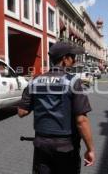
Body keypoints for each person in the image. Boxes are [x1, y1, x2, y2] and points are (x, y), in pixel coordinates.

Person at [18, 42, 95, 174]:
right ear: (64, 59)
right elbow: (81, 121)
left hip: (41, 145)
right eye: (72, 57)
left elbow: (21, 112)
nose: (75, 60)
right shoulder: (72, 81)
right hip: (66, 147)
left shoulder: (35, 81)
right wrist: (90, 149)